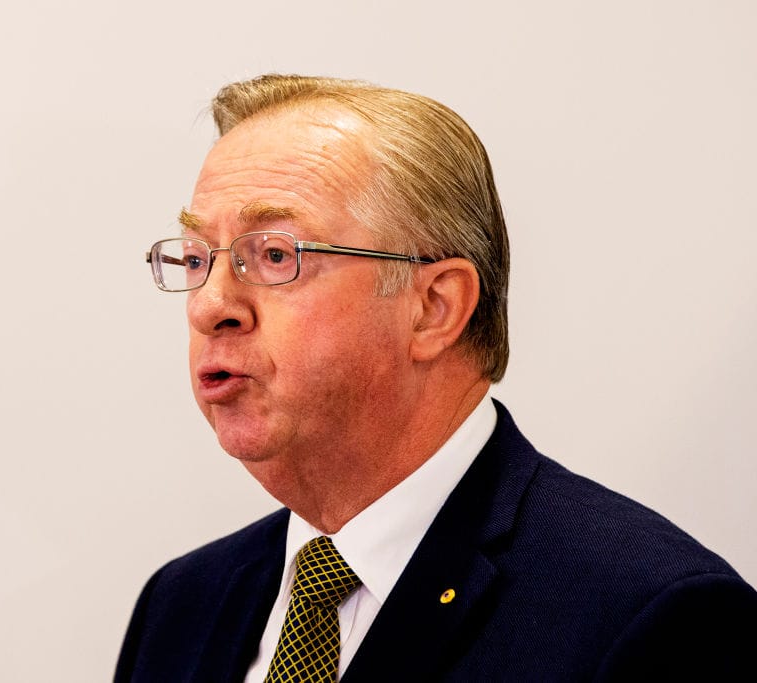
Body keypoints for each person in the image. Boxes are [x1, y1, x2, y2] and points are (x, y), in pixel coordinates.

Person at [115, 74, 757, 681]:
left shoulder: (654, 617)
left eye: (276, 254)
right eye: (196, 259)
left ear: (434, 308)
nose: (208, 306)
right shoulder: (181, 604)